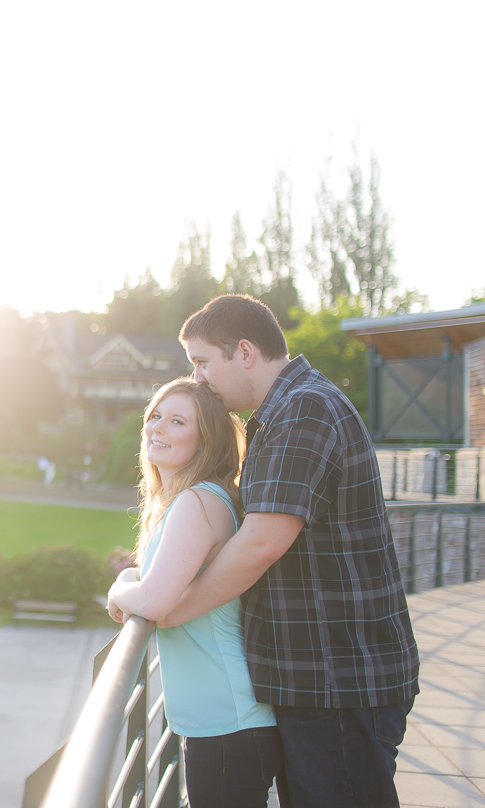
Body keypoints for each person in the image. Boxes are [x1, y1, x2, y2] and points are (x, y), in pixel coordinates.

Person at [163, 294, 417, 808]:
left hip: (341, 680)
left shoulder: (305, 409)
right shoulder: (287, 409)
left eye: (203, 362)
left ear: (246, 352)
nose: (197, 379)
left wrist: (171, 610)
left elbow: (259, 544)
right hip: (324, 679)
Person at [107, 378, 283, 807]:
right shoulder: (193, 500)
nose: (157, 428)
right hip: (218, 722)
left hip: (228, 722)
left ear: (205, 440)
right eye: (155, 416)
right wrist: (135, 581)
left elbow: (155, 603)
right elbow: (157, 589)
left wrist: (118, 587)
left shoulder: (198, 503)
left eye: (177, 421)